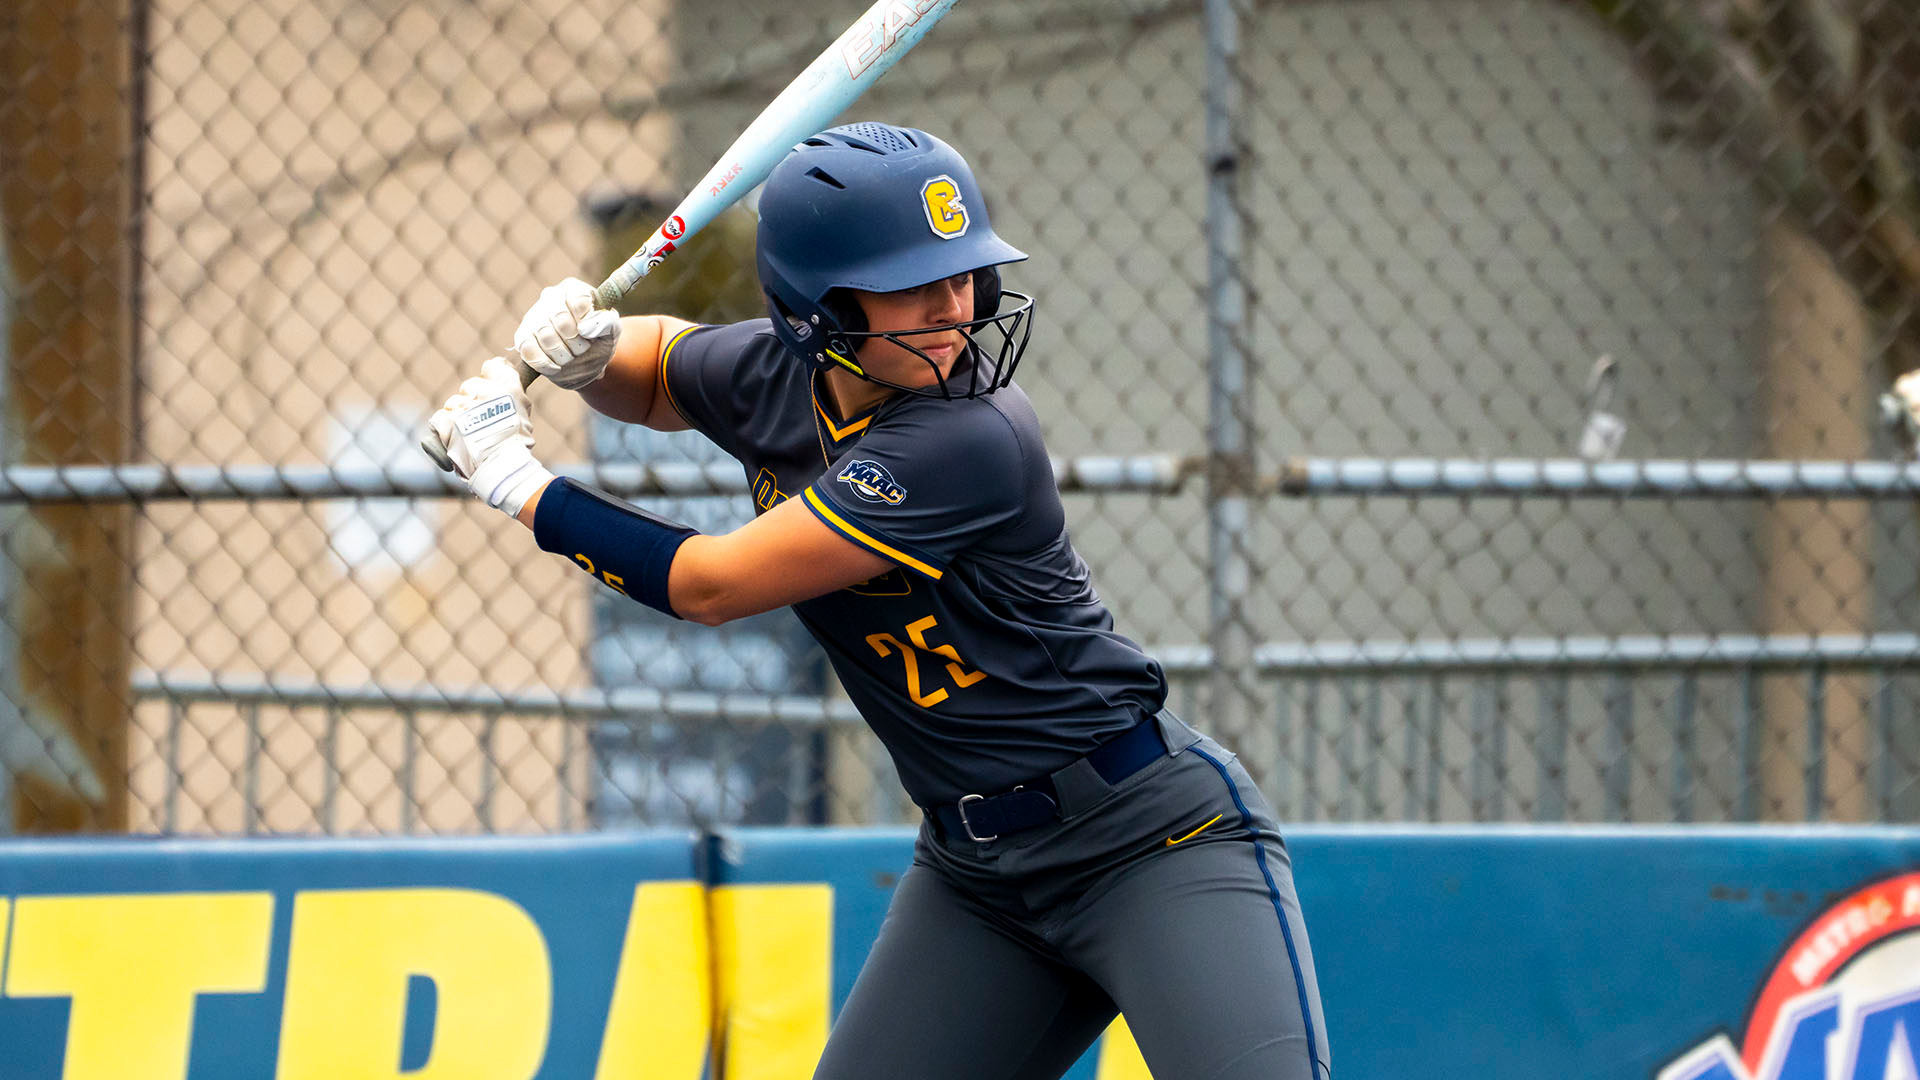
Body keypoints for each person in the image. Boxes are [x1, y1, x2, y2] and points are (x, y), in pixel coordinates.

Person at [428, 122, 1331, 1080]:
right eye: (913, 283)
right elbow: (657, 372)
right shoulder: (784, 377)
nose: (954, 308)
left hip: (1150, 839)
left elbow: (712, 585)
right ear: (817, 309)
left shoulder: (969, 435)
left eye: (965, 275)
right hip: (978, 874)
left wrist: (522, 486)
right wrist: (589, 352)